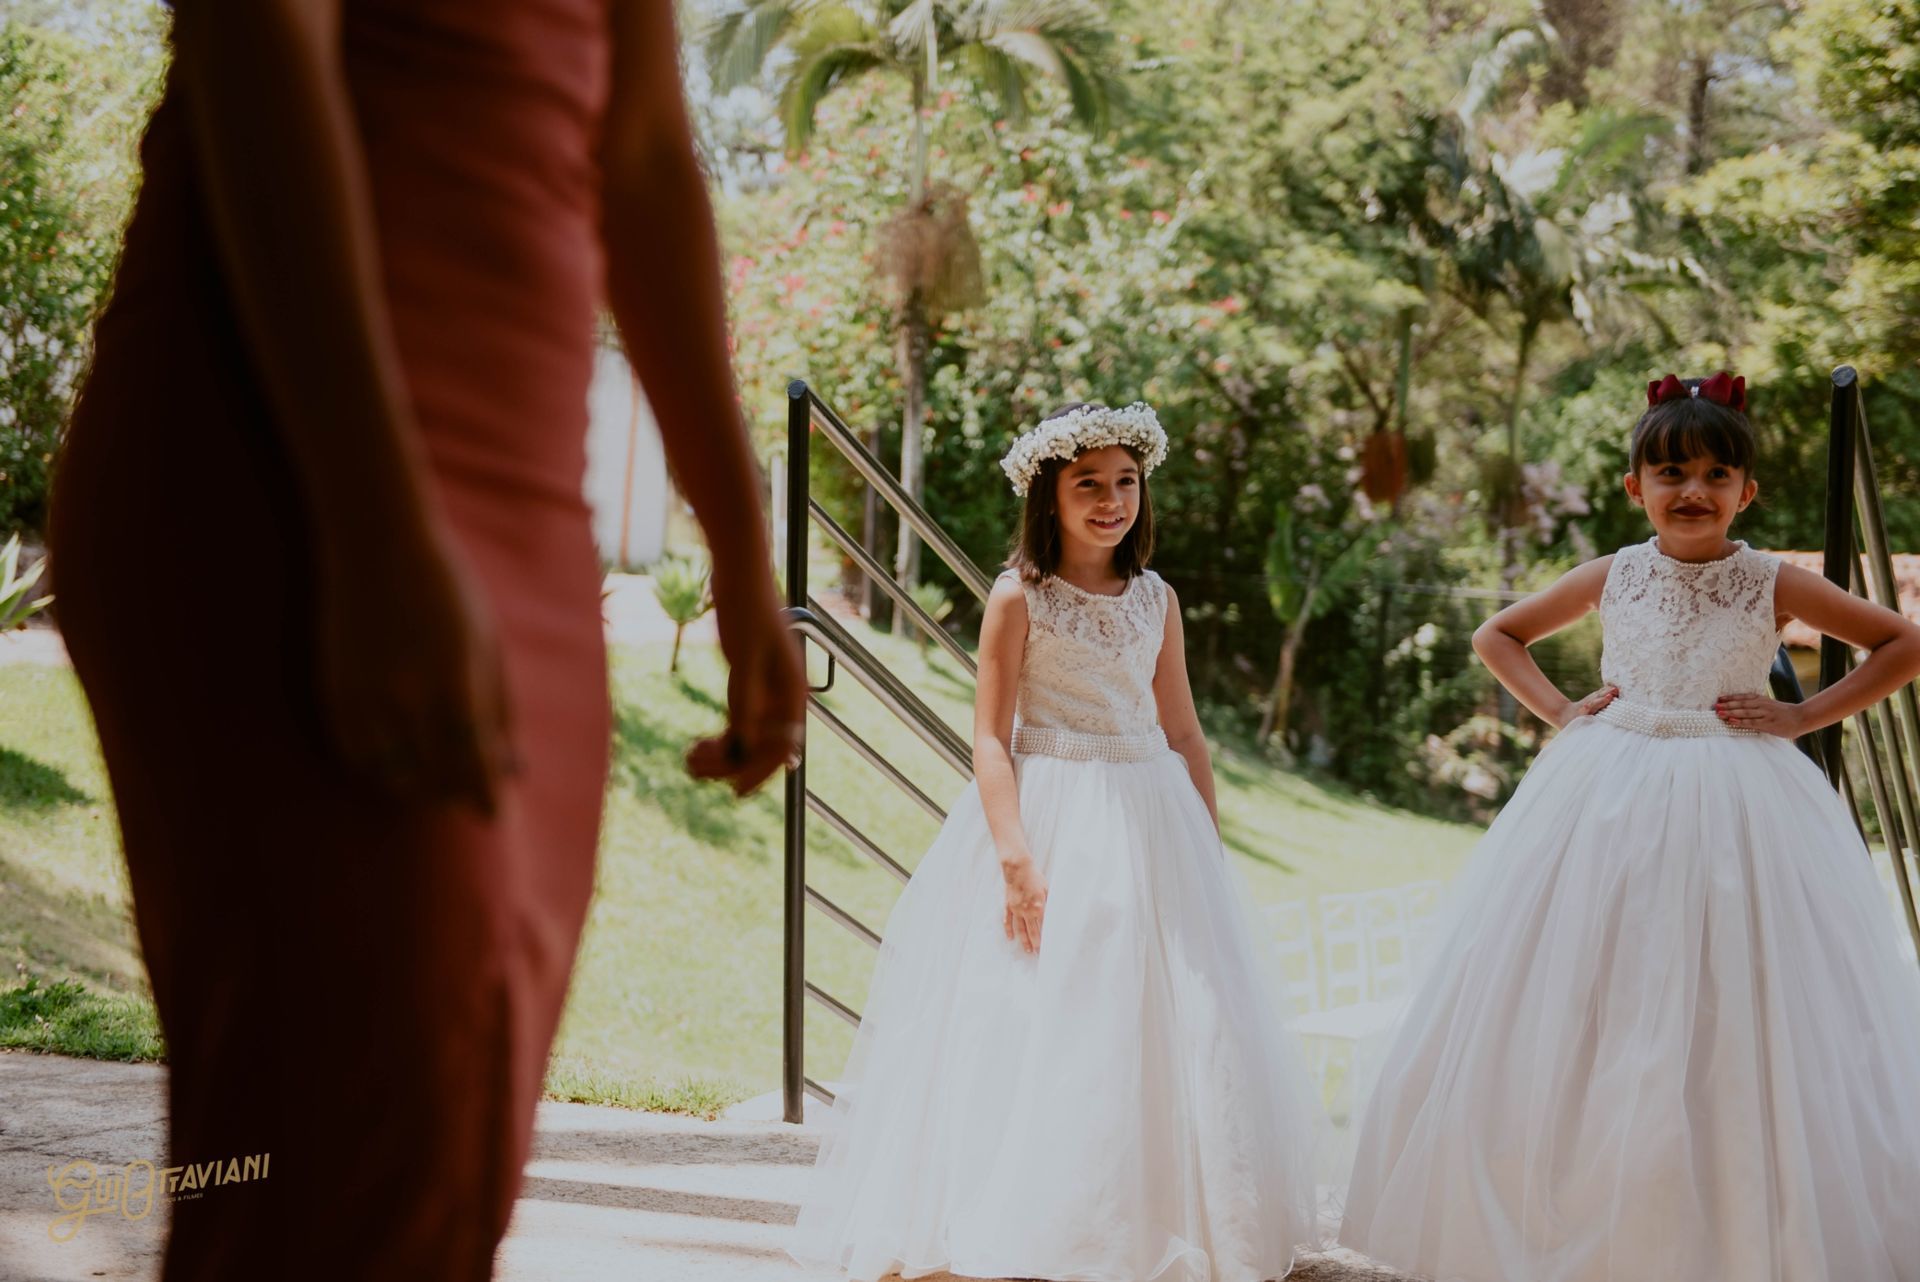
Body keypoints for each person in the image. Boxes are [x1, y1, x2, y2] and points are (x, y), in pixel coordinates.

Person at [45, 1, 804, 1277]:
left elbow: (639, 148)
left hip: (528, 507)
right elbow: (261, 34)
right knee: (351, 1173)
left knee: (448, 1154)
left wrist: (740, 544)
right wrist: (373, 526)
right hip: (292, 456)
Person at [1338, 372, 1920, 1281]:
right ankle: (1565, 1209)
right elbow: (1498, 636)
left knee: (1728, 994)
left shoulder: (1771, 580)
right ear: (1635, 486)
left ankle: (1724, 1222)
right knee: (1586, 984)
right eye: (1672, 472)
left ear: (1748, 492)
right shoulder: (1614, 573)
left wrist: (1806, 716)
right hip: (1606, 793)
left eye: (1717, 475)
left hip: (1738, 803)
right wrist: (1565, 712)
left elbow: (1904, 642)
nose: (1694, 491)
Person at [790, 403, 1326, 1282]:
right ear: (1050, 495)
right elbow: (990, 737)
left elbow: (1184, 732)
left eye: (1126, 483)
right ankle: (1022, 1216)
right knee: (1041, 1010)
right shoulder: (1019, 597)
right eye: (1089, 485)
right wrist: (1015, 858)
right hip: (1052, 812)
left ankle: (1147, 1220)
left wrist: (1207, 846)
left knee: (1160, 1021)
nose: (1111, 501)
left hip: (1151, 816)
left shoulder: (1158, 599)